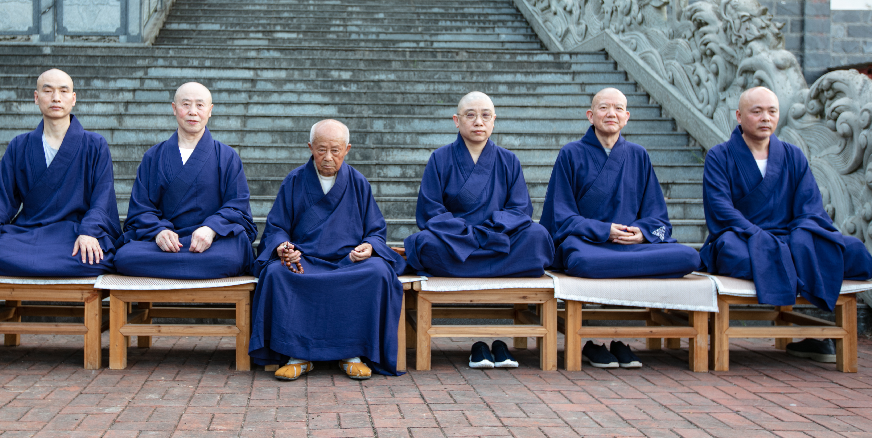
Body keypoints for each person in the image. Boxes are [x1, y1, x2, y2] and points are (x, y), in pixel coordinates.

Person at [701, 86, 872, 363]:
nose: (765, 118)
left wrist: (800, 236)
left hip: (790, 236)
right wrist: (758, 235)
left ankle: (791, 263)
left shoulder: (792, 155)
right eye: (756, 112)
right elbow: (720, 209)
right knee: (733, 253)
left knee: (852, 249)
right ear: (739, 116)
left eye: (772, 111)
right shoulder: (720, 156)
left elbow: (810, 207)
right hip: (744, 235)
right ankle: (796, 266)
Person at [540, 87, 701, 369]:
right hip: (590, 244)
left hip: (631, 245)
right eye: (603, 108)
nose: (610, 113)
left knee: (690, 257)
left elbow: (657, 215)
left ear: (626, 117)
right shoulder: (571, 154)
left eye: (617, 108)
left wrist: (643, 233)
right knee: (581, 261)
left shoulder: (639, 155)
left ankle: (617, 339)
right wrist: (604, 230)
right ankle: (595, 341)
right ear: (590, 116)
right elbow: (561, 216)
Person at [249, 120, 405, 380]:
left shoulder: (358, 183)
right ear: (310, 147)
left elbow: (375, 230)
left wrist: (369, 247)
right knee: (277, 274)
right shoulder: (295, 181)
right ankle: (298, 355)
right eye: (321, 149)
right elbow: (277, 227)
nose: (328, 157)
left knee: (378, 271)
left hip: (348, 262)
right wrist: (284, 248)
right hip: (305, 261)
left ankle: (352, 354)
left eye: (336, 150)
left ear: (347, 149)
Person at [0, 69, 120, 276]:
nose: (56, 98)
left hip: (73, 232)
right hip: (28, 232)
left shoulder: (95, 145)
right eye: (48, 91)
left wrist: (89, 232)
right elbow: (3, 198)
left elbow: (103, 198)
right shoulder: (19, 145)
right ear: (36, 98)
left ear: (73, 99)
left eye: (63, 91)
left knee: (94, 254)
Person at [403, 91, 554, 279]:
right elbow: (430, 210)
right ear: (456, 120)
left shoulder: (509, 160)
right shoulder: (439, 158)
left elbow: (520, 208)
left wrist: (489, 231)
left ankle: (463, 268)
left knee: (537, 235)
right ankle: (503, 267)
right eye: (470, 115)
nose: (478, 122)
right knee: (425, 242)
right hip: (455, 240)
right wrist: (466, 233)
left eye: (485, 115)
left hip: (498, 236)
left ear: (493, 120)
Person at [114, 82, 256, 278]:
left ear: (210, 110)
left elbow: (237, 207)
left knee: (232, 256)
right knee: (124, 257)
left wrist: (211, 228)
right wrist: (158, 231)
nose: (192, 112)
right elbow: (141, 208)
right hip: (165, 244)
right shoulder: (153, 156)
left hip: (212, 243)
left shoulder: (227, 156)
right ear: (174, 108)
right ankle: (191, 264)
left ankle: (175, 265)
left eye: (200, 105)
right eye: (186, 104)